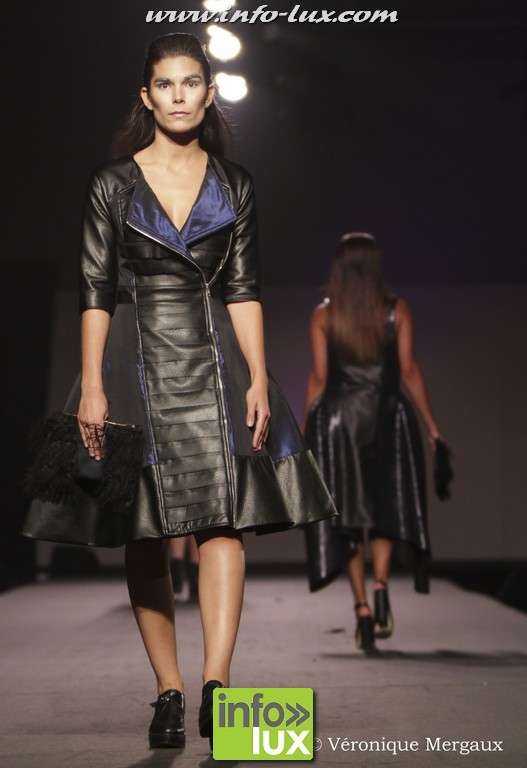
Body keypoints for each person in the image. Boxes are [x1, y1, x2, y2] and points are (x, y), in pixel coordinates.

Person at [22, 33, 336, 750]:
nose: (178, 95)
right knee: (145, 530)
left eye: (190, 82)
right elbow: (96, 289)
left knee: (223, 522)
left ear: (209, 91)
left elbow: (244, 288)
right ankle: (168, 690)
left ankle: (216, 685)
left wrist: (258, 376)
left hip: (215, 358)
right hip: (133, 359)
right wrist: (92, 387)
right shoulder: (112, 182)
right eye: (165, 84)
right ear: (147, 96)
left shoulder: (235, 183)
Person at [302, 232, 442, 653]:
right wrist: (432, 425)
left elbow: (320, 378)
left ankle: (362, 608)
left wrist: (305, 429)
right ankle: (381, 585)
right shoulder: (397, 311)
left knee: (348, 518)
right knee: (384, 507)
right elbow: (409, 370)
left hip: (339, 425)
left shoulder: (324, 316)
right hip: (386, 418)